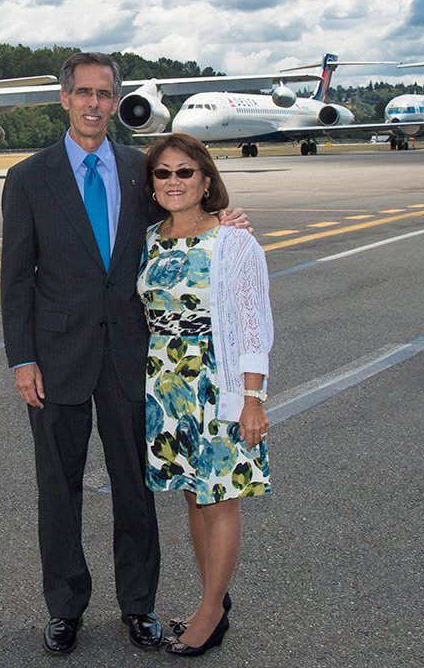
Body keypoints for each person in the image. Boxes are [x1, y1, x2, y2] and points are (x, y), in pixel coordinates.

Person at [1, 53, 252, 655]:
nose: (93, 104)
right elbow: (15, 279)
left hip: (133, 358)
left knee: (134, 487)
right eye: (82, 93)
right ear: (64, 99)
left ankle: (138, 605)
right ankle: (65, 608)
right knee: (57, 488)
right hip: (56, 358)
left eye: (104, 94)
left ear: (117, 102)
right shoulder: (28, 178)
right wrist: (22, 359)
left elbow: (182, 211)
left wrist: (224, 219)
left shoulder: (143, 170)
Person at [137, 132, 272, 657]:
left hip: (217, 382)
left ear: (207, 180)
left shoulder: (232, 240)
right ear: (152, 184)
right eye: (163, 172)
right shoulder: (150, 239)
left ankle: (213, 612)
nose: (174, 181)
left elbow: (253, 322)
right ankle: (208, 599)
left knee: (220, 498)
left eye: (185, 172)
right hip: (167, 382)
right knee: (195, 494)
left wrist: (252, 398)